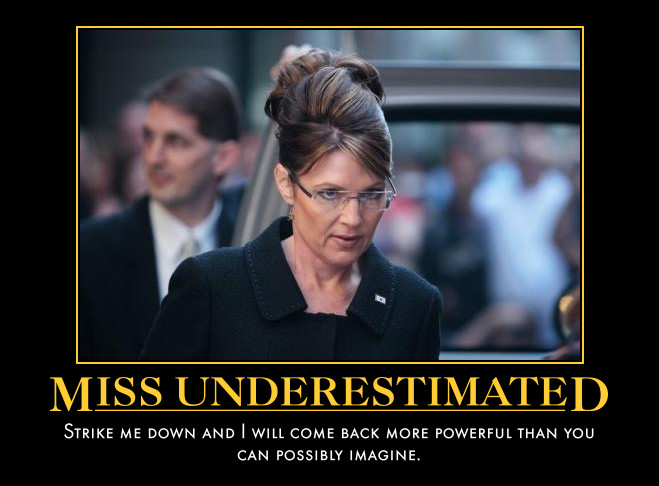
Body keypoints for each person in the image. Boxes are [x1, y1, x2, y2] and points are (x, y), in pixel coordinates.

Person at [140, 48, 442, 361]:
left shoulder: (414, 305)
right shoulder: (213, 288)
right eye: (330, 194)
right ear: (286, 183)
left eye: (371, 194)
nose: (353, 218)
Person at [79, 67, 243, 361]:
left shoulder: (254, 241)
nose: (154, 157)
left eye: (176, 141)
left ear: (223, 157)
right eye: (148, 137)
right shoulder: (89, 251)